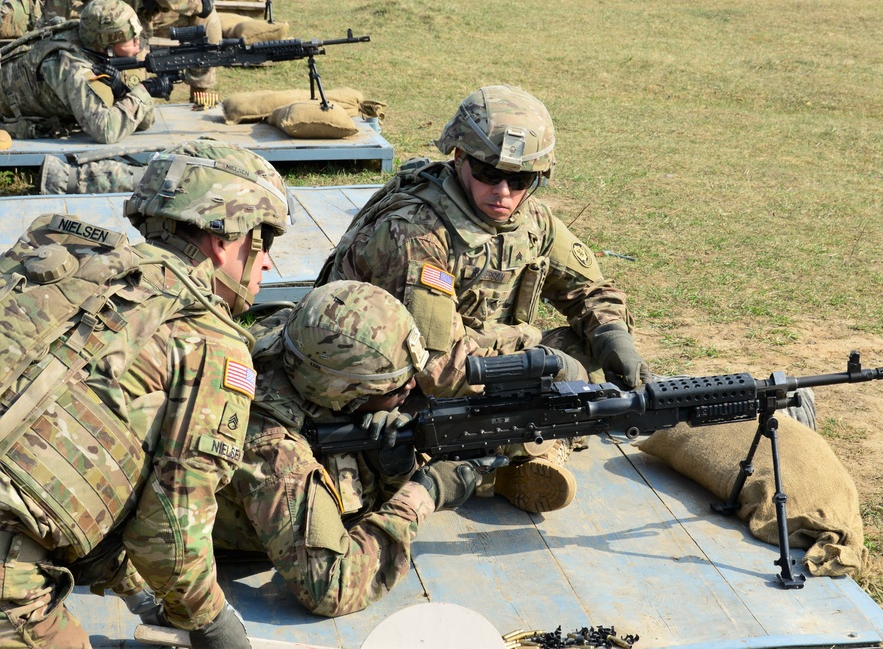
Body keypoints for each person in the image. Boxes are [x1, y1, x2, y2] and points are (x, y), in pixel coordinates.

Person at [0, 138, 288, 648]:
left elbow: (75, 467)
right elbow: (169, 535)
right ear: (225, 239)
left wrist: (137, 595)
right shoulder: (209, 344)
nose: (267, 265)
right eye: (264, 243)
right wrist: (214, 626)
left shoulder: (62, 262)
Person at [316, 84, 650, 514]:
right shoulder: (417, 231)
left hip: (472, 355)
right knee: (399, 434)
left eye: (521, 179)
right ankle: (510, 457)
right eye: (489, 174)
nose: (504, 192)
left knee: (583, 349)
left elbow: (588, 289)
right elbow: (437, 367)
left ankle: (513, 454)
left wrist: (615, 340)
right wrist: (539, 357)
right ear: (459, 159)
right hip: (385, 380)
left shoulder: (531, 220)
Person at [212, 280, 495, 617]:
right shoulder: (273, 448)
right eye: (394, 385)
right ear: (344, 393)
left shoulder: (304, 344)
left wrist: (391, 469)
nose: (411, 385)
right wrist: (424, 493)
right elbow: (330, 587)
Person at [0, 0, 172, 142]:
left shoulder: (94, 46)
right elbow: (106, 131)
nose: (138, 43)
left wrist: (121, 91)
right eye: (130, 39)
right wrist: (143, 91)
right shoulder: (72, 66)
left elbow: (143, 122)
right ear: (107, 45)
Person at [43, 0, 220, 100]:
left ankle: (200, 97)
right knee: (126, 94)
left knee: (206, 22)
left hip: (146, 12)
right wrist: (201, 5)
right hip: (110, 19)